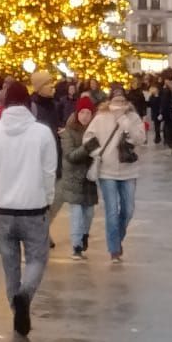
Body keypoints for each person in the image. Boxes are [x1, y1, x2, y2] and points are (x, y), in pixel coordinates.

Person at [0, 79, 57, 335]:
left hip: (4, 210)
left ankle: (16, 309)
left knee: (9, 264)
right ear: (27, 103)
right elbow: (49, 172)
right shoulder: (42, 133)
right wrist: (48, 199)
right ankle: (25, 296)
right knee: (37, 258)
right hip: (34, 208)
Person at [84, 86, 146, 263]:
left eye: (122, 100)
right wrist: (97, 154)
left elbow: (140, 139)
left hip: (129, 170)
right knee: (111, 210)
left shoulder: (133, 117)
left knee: (128, 209)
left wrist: (125, 122)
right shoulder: (101, 117)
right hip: (107, 171)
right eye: (116, 100)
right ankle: (114, 248)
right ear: (110, 100)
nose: (119, 103)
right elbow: (88, 139)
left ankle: (117, 238)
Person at [60, 95, 98, 255]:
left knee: (88, 213)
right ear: (77, 113)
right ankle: (76, 246)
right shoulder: (69, 132)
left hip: (89, 179)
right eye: (82, 112)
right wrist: (88, 147)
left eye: (88, 113)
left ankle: (84, 236)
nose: (85, 116)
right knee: (76, 212)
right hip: (74, 179)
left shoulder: (95, 132)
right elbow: (71, 156)